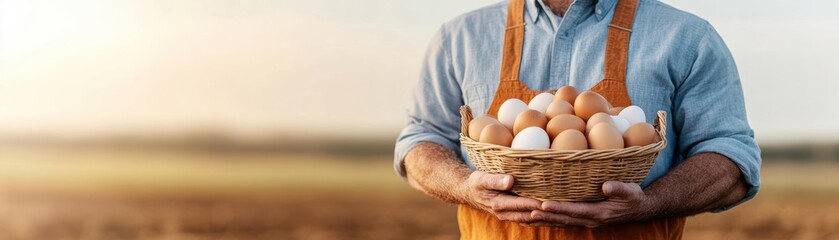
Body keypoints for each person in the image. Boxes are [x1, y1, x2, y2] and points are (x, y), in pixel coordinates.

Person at [394, 0, 761, 238]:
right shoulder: (460, 37)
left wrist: (650, 202)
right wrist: (464, 186)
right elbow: (421, 140)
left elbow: (730, 157)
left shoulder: (687, 38)